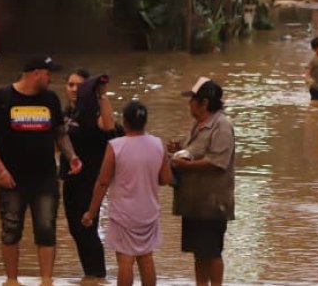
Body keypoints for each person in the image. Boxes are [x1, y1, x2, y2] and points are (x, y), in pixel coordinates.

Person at [0, 56, 82, 286]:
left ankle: (46, 280)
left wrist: (71, 157)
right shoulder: (1, 98)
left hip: (45, 178)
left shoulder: (50, 99)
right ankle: (12, 280)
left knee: (46, 229)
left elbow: (60, 133)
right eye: (47, 73)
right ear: (35, 73)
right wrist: (0, 170)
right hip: (11, 179)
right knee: (11, 230)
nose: (50, 78)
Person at [83, 101, 170, 286]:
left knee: (125, 260)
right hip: (149, 212)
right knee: (146, 258)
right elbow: (165, 179)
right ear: (145, 122)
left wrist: (91, 212)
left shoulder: (115, 146)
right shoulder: (158, 144)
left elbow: (103, 181)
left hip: (124, 214)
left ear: (125, 122)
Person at [169, 78, 236, 286]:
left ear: (204, 103)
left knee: (212, 251)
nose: (189, 104)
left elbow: (217, 162)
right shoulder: (199, 125)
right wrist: (178, 148)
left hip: (212, 203)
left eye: (192, 100)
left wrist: (185, 165)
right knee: (199, 252)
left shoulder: (222, 125)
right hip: (195, 203)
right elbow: (197, 151)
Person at [62, 70, 116, 284]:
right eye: (70, 84)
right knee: (75, 229)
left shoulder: (95, 111)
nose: (74, 89)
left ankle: (98, 276)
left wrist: (101, 95)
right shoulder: (68, 112)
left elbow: (110, 125)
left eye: (79, 85)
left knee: (87, 228)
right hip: (69, 178)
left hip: (90, 180)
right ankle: (90, 276)